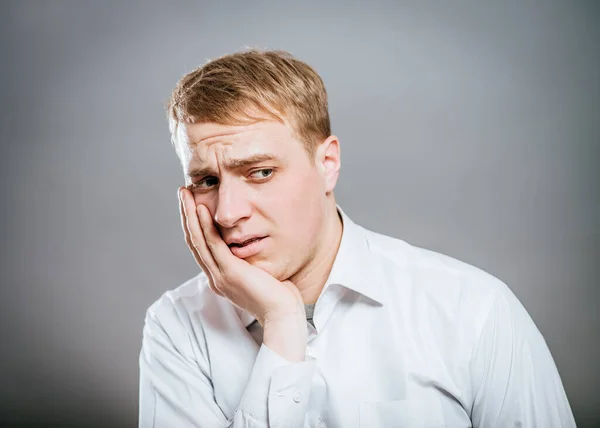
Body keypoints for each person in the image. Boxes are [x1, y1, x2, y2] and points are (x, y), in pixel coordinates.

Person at [138, 49, 576, 428]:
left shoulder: (473, 310)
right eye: (207, 180)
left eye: (261, 172)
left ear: (327, 163)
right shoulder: (177, 327)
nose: (228, 212)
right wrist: (283, 324)